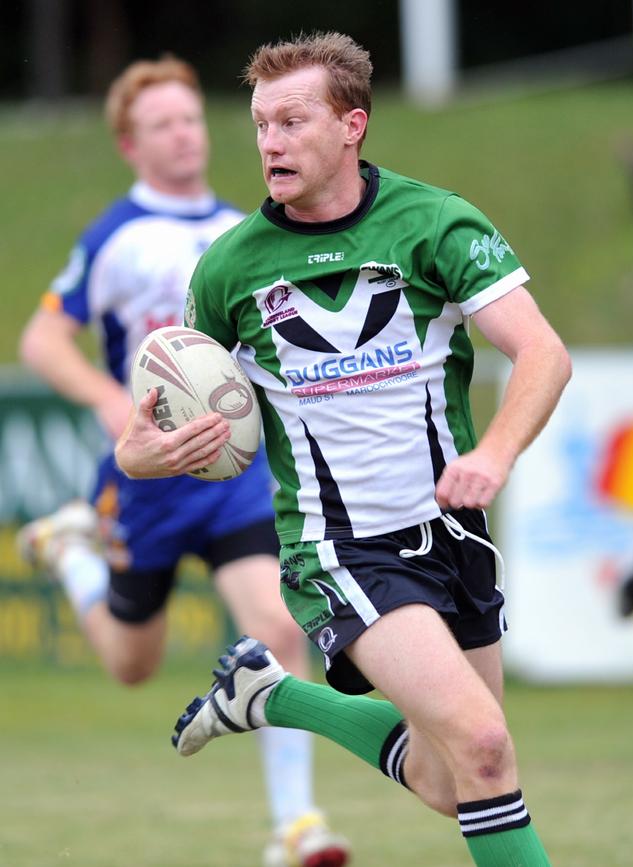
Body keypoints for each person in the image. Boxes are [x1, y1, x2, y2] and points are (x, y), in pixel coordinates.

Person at [115, 32, 572, 867]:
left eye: (292, 121)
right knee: (485, 745)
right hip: (338, 548)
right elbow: (142, 443)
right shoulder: (228, 270)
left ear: (352, 125)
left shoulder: (434, 224)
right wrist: (147, 452)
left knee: (452, 777)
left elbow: (543, 353)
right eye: (260, 125)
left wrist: (496, 455)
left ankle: (271, 693)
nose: (270, 143)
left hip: (452, 534)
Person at [17, 55, 350, 867]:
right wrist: (105, 400)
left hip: (234, 478)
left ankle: (297, 824)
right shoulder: (116, 235)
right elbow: (41, 339)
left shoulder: (248, 230)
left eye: (193, 117)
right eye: (163, 123)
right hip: (148, 483)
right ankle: (72, 553)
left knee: (277, 625)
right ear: (131, 144)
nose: (184, 134)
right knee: (133, 663)